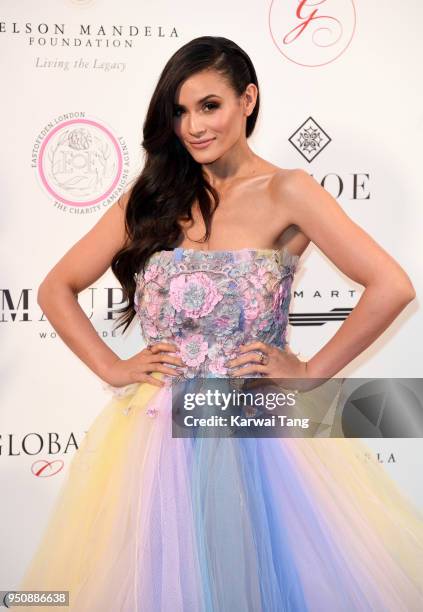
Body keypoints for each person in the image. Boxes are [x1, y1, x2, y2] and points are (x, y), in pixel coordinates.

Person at [16, 36, 423, 611]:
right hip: (153, 435)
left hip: (255, 433)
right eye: (179, 111)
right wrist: (112, 364)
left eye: (210, 105)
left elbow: (393, 286)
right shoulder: (153, 197)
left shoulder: (288, 190)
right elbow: (56, 287)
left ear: (248, 99)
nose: (193, 126)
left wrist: (309, 373)